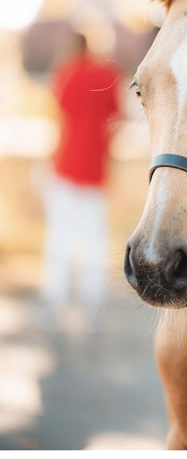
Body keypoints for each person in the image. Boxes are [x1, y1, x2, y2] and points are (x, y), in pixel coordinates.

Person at [41, 31, 121, 317]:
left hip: (65, 163)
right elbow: (115, 118)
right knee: (95, 233)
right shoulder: (107, 75)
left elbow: (58, 116)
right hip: (95, 166)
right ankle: (93, 292)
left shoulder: (65, 73)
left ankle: (56, 291)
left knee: (59, 232)